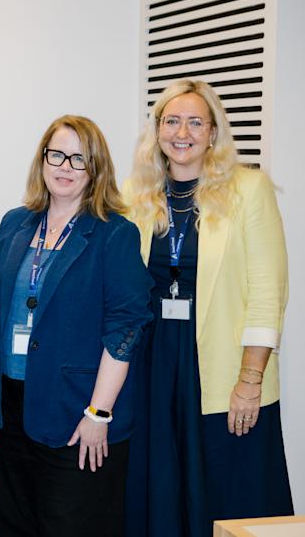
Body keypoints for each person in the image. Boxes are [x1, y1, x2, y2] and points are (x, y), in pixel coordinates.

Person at [123, 79, 293, 537]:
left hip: (223, 368)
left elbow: (267, 291)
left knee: (228, 492)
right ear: (157, 130)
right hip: (155, 365)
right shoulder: (137, 198)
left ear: (214, 132)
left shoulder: (248, 189)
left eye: (196, 121)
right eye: (172, 120)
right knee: (161, 489)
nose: (183, 132)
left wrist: (250, 380)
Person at [0, 115, 152, 537]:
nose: (65, 167)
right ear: (42, 160)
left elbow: (126, 329)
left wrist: (99, 412)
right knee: (13, 525)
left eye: (79, 159)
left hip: (77, 412)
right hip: (9, 409)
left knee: (70, 525)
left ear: (96, 170)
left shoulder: (115, 234)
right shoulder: (14, 224)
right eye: (56, 154)